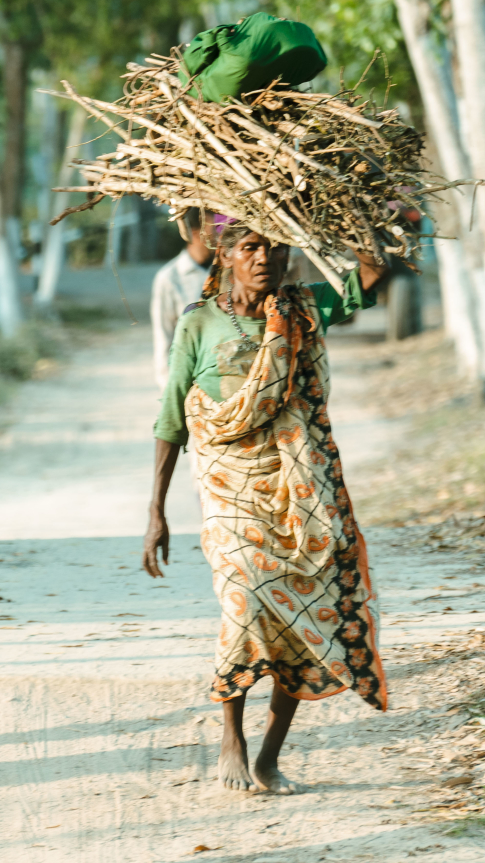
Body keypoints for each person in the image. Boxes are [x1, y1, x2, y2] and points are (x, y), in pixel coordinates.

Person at [143, 220, 388, 793]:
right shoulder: (198, 324)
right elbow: (172, 417)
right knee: (246, 600)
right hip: (230, 491)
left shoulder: (302, 311)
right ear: (224, 256)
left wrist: (364, 209)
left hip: (297, 494)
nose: (265, 259)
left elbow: (371, 274)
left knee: (301, 618)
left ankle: (270, 757)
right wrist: (156, 511)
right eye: (250, 247)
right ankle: (232, 735)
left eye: (275, 247)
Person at [150, 212, 214, 388]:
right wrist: (169, 387)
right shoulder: (170, 278)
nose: (221, 234)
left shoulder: (229, 272)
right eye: (214, 228)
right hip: (190, 379)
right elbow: (164, 336)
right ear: (193, 232)